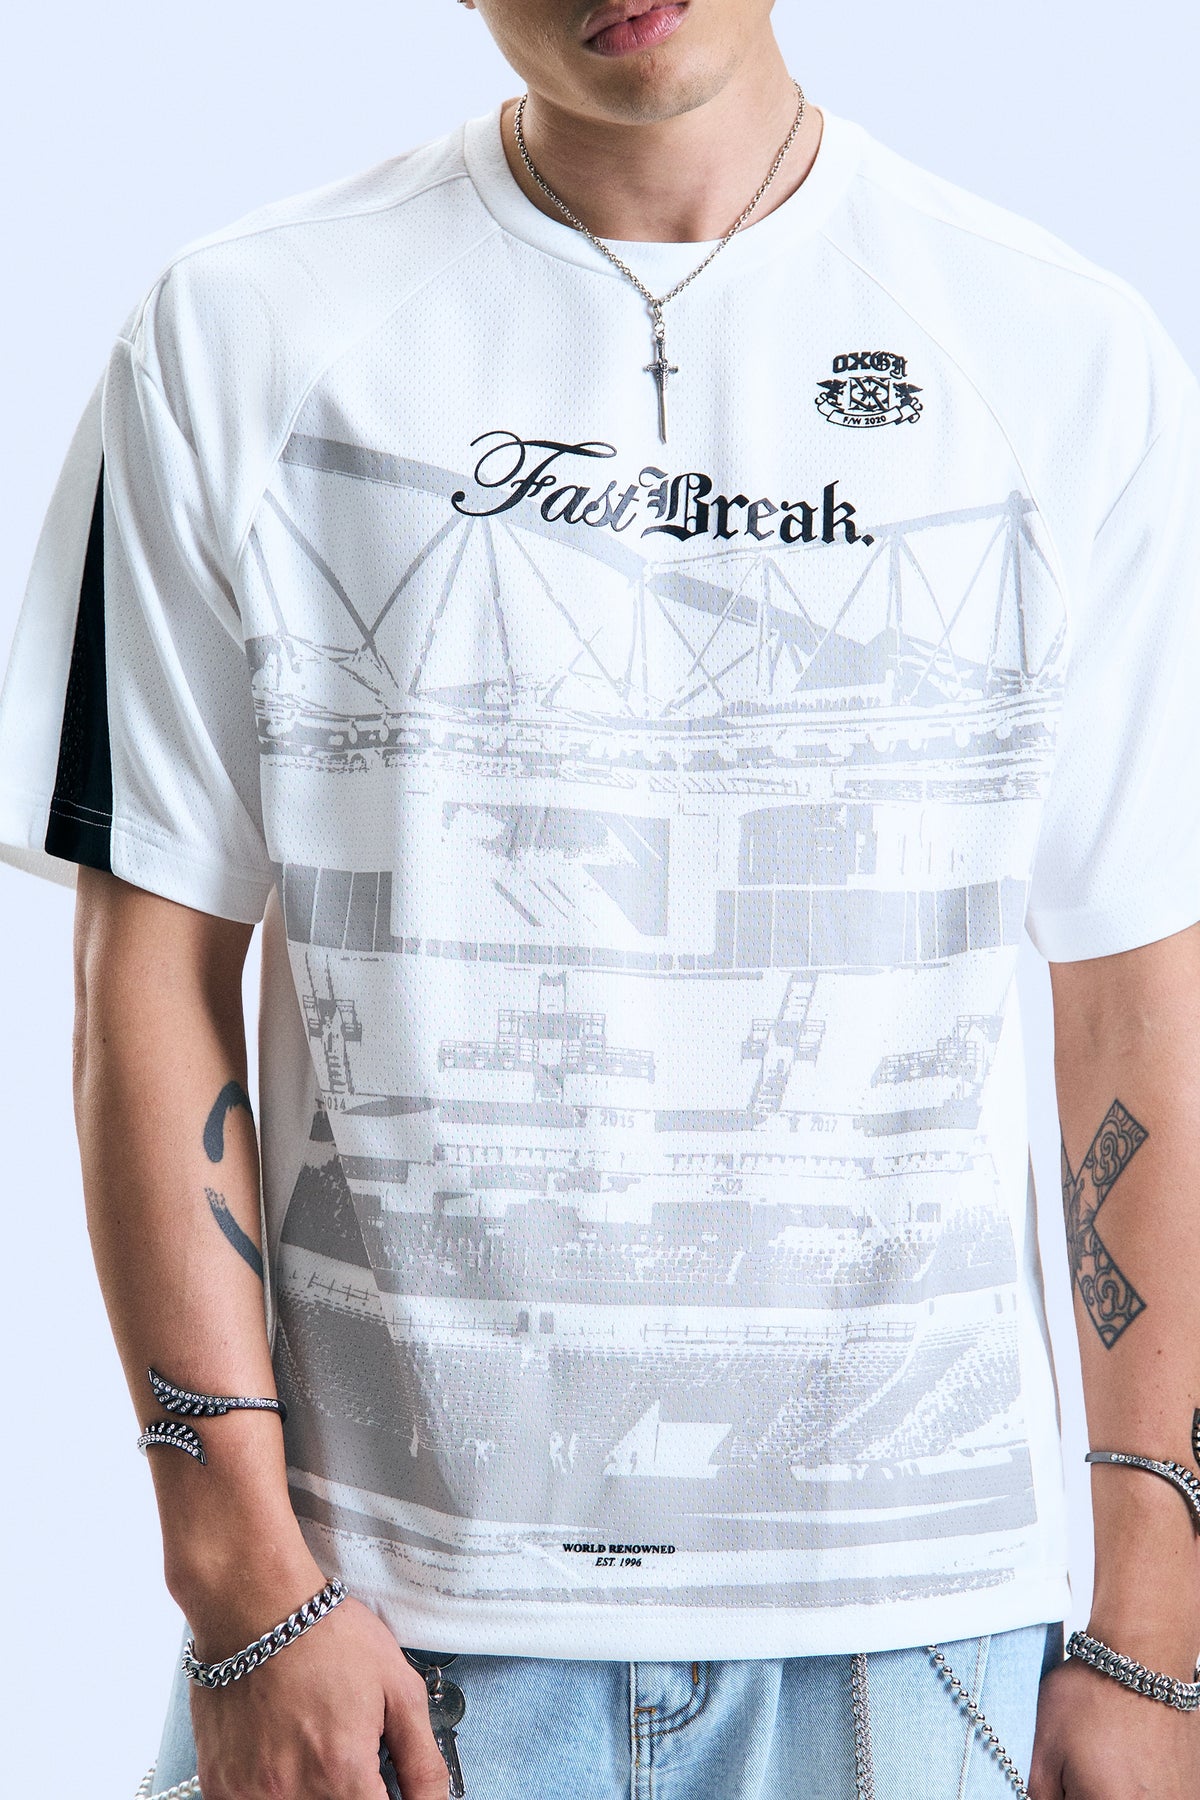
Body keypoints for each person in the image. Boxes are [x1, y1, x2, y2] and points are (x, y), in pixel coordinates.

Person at [1, 0, 1198, 1794]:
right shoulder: (237, 329)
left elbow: (1141, 1011)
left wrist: (1160, 1638)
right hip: (381, 1642)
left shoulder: (1064, 352)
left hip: (920, 1650)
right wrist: (239, 1578)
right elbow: (147, 981)